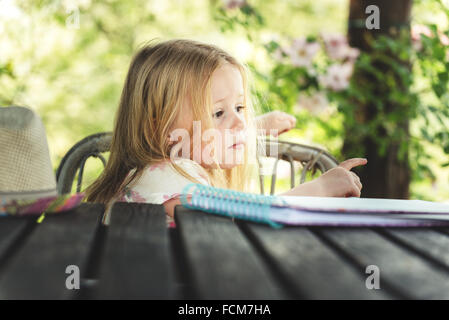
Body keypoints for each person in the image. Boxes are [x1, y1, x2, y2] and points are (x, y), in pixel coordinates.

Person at [84, 39, 367, 226]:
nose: (240, 123)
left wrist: (248, 127)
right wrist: (319, 189)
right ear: (161, 126)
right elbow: (244, 219)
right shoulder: (166, 177)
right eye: (218, 113)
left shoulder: (163, 171)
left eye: (241, 108)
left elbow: (204, 137)